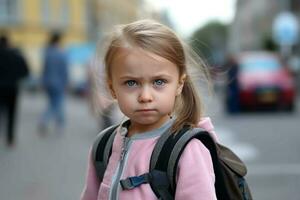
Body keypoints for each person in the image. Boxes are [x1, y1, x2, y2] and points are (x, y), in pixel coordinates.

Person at [81, 19, 218, 200]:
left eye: (159, 82)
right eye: (131, 82)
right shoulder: (103, 146)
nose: (145, 96)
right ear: (112, 88)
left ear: (179, 84)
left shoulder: (188, 150)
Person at [0, 33, 29, 146]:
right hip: (12, 88)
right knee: (11, 114)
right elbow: (26, 71)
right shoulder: (16, 55)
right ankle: (10, 138)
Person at [39, 32, 69, 134]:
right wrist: (66, 83)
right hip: (59, 84)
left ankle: (50, 122)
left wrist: (43, 82)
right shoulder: (61, 53)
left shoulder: (48, 52)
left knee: (53, 103)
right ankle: (52, 122)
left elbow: (44, 69)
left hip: (48, 83)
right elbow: (64, 70)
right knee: (57, 104)